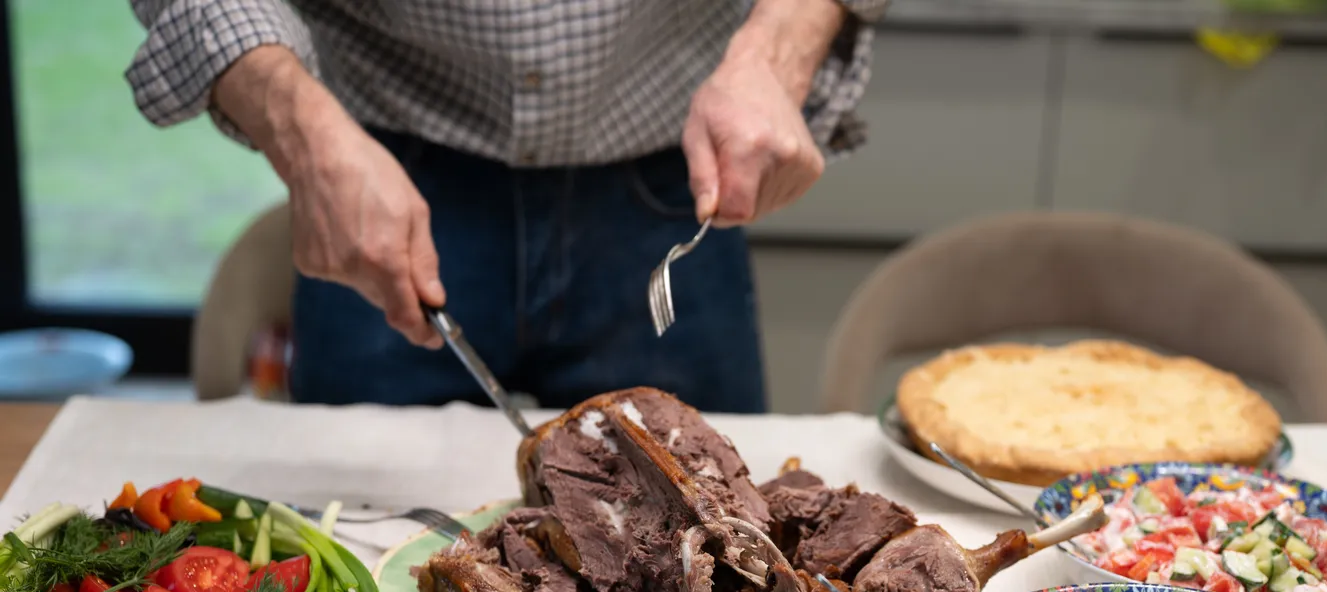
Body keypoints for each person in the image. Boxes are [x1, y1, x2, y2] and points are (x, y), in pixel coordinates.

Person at [126, 1, 884, 413]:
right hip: (385, 163)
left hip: (668, 173)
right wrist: (301, 131)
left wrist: (779, 48)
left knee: (719, 556)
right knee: (361, 574)